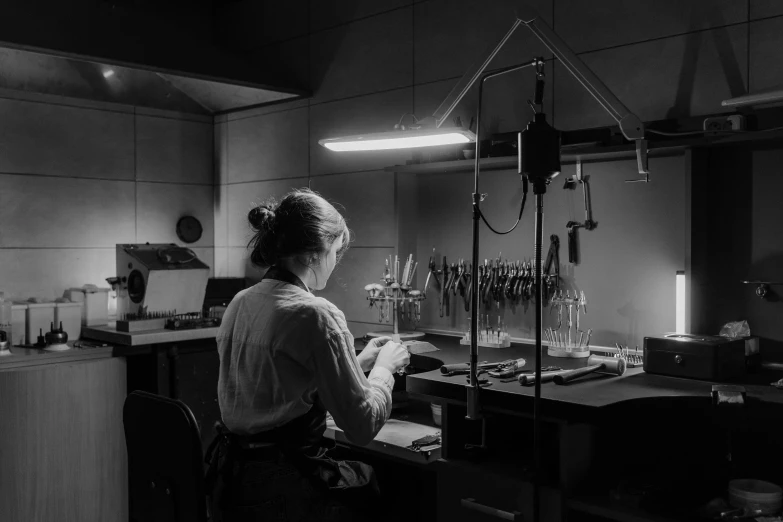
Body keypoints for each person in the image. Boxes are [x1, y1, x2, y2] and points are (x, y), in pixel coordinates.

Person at [206, 188, 410, 522]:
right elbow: (361, 425)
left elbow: (280, 387)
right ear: (315, 253)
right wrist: (385, 369)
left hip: (234, 479)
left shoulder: (241, 302)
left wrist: (357, 363)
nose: (335, 263)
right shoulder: (316, 315)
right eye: (335, 252)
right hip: (285, 485)